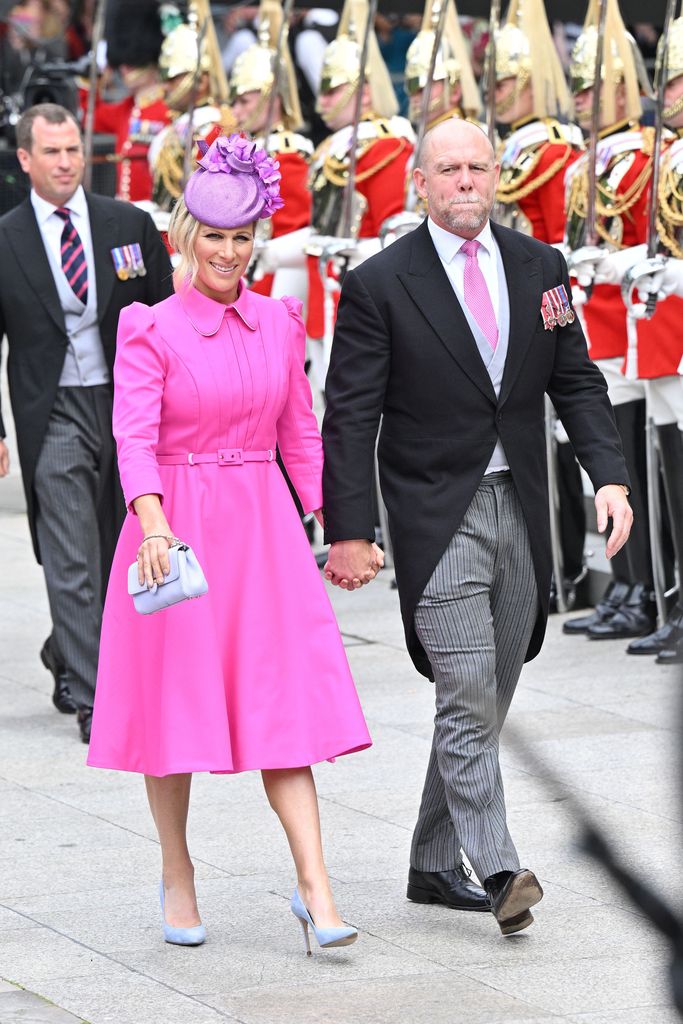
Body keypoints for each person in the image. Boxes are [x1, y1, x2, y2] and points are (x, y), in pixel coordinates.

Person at [321, 117, 633, 936]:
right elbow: (348, 417)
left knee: (483, 700)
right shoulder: (381, 283)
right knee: (464, 689)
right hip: (434, 515)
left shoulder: (540, 268)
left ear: (495, 177)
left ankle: (431, 862)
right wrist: (350, 528)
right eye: (448, 170)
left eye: (477, 169)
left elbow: (576, 383)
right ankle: (498, 867)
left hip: (520, 511)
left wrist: (607, 476)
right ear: (418, 182)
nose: (465, 183)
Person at [86, 133, 373, 950]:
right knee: (173, 711)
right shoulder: (149, 325)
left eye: (243, 236)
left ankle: (317, 892)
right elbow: (132, 437)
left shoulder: (279, 323)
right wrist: (150, 522)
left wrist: (340, 528)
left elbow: (302, 439)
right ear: (185, 236)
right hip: (172, 531)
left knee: (285, 711)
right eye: (213, 236)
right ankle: (177, 873)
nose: (228, 251)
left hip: (263, 534)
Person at [0, 103, 172, 743]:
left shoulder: (128, 223)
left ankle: (66, 650)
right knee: (72, 552)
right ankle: (96, 699)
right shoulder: (6, 239)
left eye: (73, 149)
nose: (67, 162)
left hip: (129, 405)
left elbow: (166, 317)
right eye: (51, 152)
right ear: (25, 160)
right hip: (54, 412)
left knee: (122, 541)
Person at [562, 0, 660, 642]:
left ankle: (651, 584)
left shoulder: (643, 155)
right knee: (604, 464)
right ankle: (626, 580)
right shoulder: (584, 162)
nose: (581, 99)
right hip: (592, 326)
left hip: (635, 328)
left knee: (634, 463)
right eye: (578, 88)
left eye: (593, 88)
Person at [493, 0, 587, 610]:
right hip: (498, 311)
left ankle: (567, 565)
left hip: (541, 310)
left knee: (555, 442)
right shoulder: (505, 149)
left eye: (505, 80)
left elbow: (557, 240)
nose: (496, 91)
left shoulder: (551, 152)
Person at [229, 0, 312, 300]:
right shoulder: (242, 149)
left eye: (244, 101)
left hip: (270, 276)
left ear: (271, 98)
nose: (235, 111)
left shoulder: (287, 153)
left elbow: (293, 233)